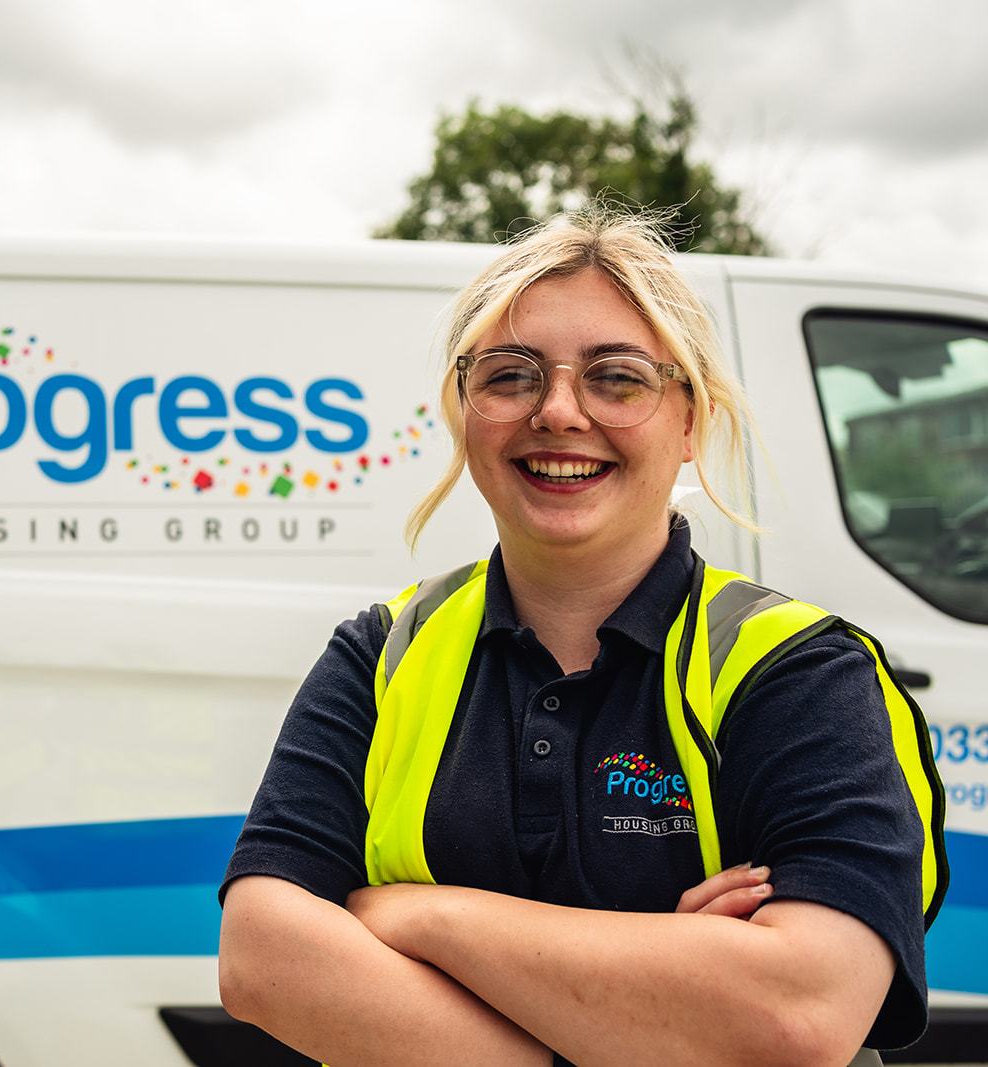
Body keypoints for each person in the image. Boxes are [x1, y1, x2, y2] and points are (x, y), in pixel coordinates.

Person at [217, 205, 945, 1067]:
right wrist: (657, 997)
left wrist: (416, 914)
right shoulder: (382, 653)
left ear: (689, 424)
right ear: (464, 410)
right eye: (511, 374)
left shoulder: (797, 669)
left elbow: (801, 1009)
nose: (559, 411)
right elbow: (262, 958)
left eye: (619, 377)